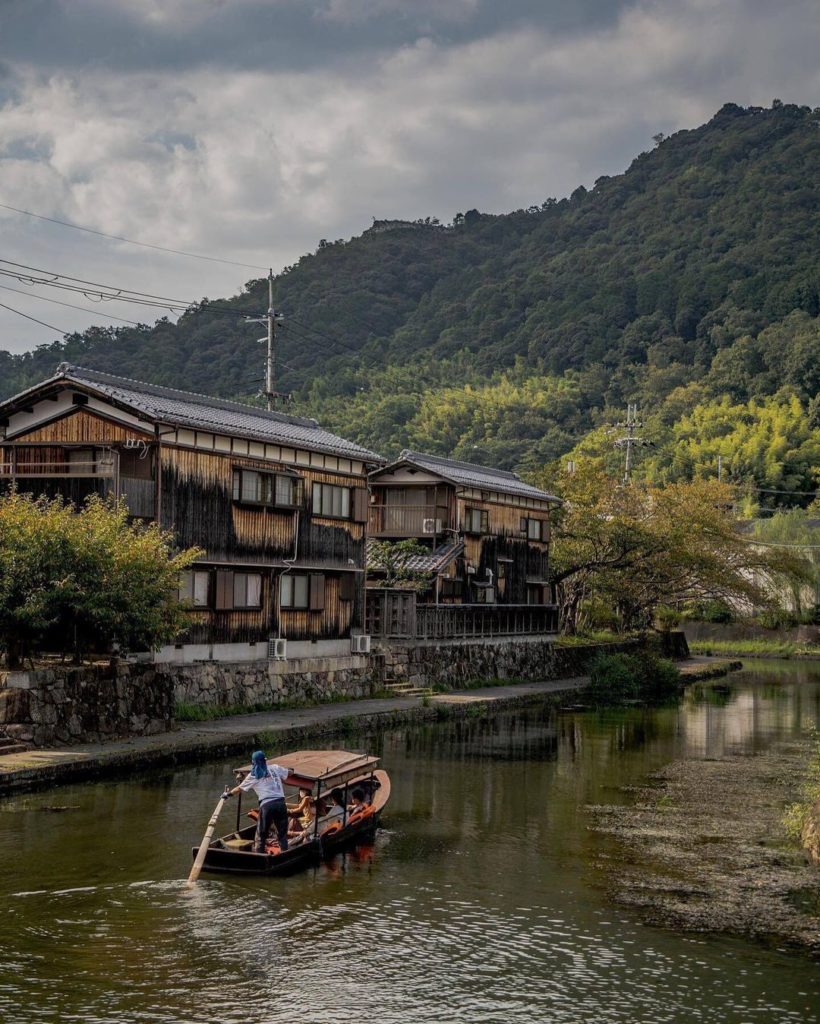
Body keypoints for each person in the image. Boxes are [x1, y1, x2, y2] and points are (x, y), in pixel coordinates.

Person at [226, 750, 291, 854]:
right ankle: (284, 853)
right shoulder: (275, 768)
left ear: (253, 763)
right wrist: (290, 771)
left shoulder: (253, 775)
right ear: (265, 760)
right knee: (282, 833)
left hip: (267, 805)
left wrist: (227, 794)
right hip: (280, 804)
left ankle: (259, 855)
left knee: (261, 834)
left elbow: (239, 789)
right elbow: (289, 773)